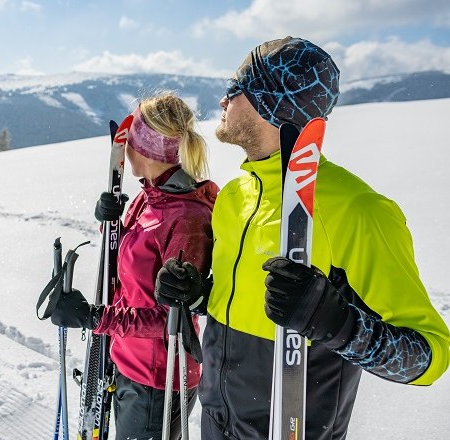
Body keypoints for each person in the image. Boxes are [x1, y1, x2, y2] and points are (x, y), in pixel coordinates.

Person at [154, 36, 450, 440]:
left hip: (290, 427)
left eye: (233, 90)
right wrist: (199, 295)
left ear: (269, 104)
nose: (223, 101)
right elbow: (249, 306)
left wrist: (338, 324)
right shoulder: (237, 195)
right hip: (217, 419)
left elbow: (430, 356)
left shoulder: (358, 210)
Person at [50, 91, 219, 439]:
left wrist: (94, 317)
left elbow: (171, 320)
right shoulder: (150, 196)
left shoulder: (186, 217)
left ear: (146, 147)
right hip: (128, 360)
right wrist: (112, 225)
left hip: (157, 379)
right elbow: (134, 267)